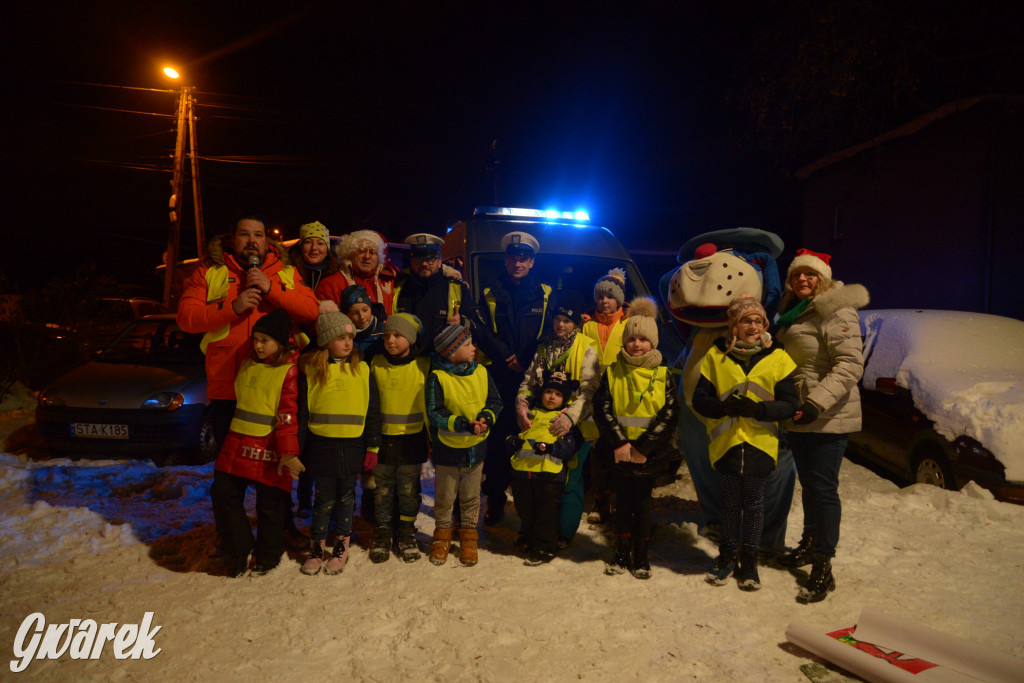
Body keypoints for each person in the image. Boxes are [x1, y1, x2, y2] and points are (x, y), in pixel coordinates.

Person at [774, 248, 869, 603]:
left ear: (823, 279)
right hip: (801, 413)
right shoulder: (794, 313)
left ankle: (823, 566)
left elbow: (849, 365)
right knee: (811, 486)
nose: (802, 279)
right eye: (797, 274)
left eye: (810, 274)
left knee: (823, 489)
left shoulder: (835, 309)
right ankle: (810, 542)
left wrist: (816, 402)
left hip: (826, 415)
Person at [177, 213, 319, 446]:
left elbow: (311, 311)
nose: (252, 241)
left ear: (267, 241)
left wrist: (270, 288)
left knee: (273, 466)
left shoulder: (286, 272)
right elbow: (186, 319)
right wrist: (233, 307)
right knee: (230, 465)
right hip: (228, 387)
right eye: (244, 234)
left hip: (276, 385)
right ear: (232, 240)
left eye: (258, 235)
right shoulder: (210, 271)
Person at [692, 296, 799, 591]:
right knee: (729, 505)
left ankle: (749, 563)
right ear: (734, 325)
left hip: (759, 445)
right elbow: (700, 399)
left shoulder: (778, 356)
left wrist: (760, 410)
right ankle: (726, 558)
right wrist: (723, 408)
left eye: (758, 321)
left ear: (765, 325)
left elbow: (791, 403)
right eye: (745, 321)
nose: (752, 326)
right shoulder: (716, 355)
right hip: (726, 444)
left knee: (753, 505)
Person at [209, 308, 306, 577]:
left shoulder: (288, 371)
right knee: (222, 493)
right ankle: (240, 548)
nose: (258, 345)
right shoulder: (248, 363)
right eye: (256, 339)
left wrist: (288, 453)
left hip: (269, 446)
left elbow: (287, 414)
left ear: (281, 343)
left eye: (265, 340)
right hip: (237, 441)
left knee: (271, 505)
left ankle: (268, 555)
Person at [592, 297, 679, 580]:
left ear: (652, 343)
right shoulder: (614, 371)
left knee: (641, 505)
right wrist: (619, 442)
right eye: (632, 339)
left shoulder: (663, 374)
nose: (637, 344)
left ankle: (641, 555)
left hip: (648, 454)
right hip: (619, 451)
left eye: (643, 339)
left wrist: (645, 447)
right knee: (622, 503)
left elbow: (668, 414)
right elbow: (602, 407)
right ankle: (622, 550)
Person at [475, 231, 556, 526]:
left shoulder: (546, 293)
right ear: (506, 260)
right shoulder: (490, 292)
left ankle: (527, 506)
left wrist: (523, 358)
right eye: (513, 257)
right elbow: (481, 330)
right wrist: (505, 355)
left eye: (523, 258)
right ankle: (495, 501)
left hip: (532, 377)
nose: (517, 262)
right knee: (497, 442)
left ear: (532, 262)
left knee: (528, 438)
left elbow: (550, 331)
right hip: (499, 376)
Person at [296, 302, 382, 575]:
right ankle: (316, 547)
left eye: (350, 338)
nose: (347, 343)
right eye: (340, 338)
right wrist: (297, 450)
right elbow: (302, 412)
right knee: (323, 499)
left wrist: (373, 445)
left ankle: (342, 545)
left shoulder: (362, 369)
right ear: (325, 341)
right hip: (321, 445)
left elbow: (372, 409)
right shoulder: (311, 370)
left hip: (353, 444)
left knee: (346, 498)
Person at [515, 291, 600, 547]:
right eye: (557, 319)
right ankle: (533, 531)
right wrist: (521, 403)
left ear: (576, 323)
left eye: (566, 320)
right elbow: (529, 380)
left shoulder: (586, 347)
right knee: (536, 479)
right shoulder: (544, 346)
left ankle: (562, 533)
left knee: (570, 480)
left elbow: (590, 389)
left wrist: (570, 417)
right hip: (541, 422)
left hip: (576, 425)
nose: (560, 324)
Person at [425, 323, 502, 567]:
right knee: (446, 497)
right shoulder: (437, 377)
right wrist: (461, 424)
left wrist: (486, 418)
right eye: (467, 344)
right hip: (448, 450)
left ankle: (469, 536)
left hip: (476, 448)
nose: (473, 348)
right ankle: (442, 535)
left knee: (471, 497)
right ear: (450, 351)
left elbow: (495, 401)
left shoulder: (481, 371)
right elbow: (435, 413)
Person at [368, 312, 431, 563]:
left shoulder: (423, 365)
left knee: (408, 489)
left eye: (397, 335)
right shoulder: (375, 363)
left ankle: (406, 531)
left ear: (411, 338)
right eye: (387, 335)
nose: (391, 340)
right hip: (381, 440)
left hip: (411, 441)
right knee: (382, 489)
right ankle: (383, 531)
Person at [509, 370, 583, 565]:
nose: (552, 397)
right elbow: (515, 435)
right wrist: (512, 442)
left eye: (558, 394)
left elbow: (572, 444)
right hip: (523, 473)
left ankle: (545, 547)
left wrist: (552, 448)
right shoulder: (529, 413)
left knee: (546, 514)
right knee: (525, 509)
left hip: (550, 476)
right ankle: (529, 539)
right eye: (549, 391)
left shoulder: (565, 419)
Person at [580, 267, 630, 525]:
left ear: (619, 300)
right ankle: (600, 501)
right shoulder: (587, 326)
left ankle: (622, 499)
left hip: (621, 395)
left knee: (620, 448)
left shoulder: (628, 325)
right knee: (598, 450)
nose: (604, 301)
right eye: (600, 296)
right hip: (593, 396)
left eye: (610, 296)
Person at [394, 233, 488, 349]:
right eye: (418, 259)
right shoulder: (397, 288)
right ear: (411, 260)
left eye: (430, 259)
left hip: (444, 362)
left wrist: (462, 322)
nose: (424, 264)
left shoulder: (457, 287)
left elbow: (481, 329)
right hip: (408, 363)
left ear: (439, 260)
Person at [317, 229, 401, 314]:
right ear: (349, 253)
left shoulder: (387, 282)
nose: (367, 256)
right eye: (361, 251)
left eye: (372, 252)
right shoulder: (330, 284)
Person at [288, 220, 339, 294]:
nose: (314, 248)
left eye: (320, 243)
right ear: (301, 248)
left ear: (327, 251)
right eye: (308, 242)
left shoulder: (336, 276)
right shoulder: (289, 273)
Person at [340, 284, 386, 358]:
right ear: (347, 315)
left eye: (365, 310)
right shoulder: (343, 336)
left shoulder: (384, 332)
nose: (362, 317)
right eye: (355, 313)